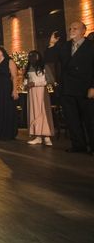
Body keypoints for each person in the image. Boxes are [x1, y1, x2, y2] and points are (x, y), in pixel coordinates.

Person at [45, 23, 94, 153]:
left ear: (84, 31)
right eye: (70, 28)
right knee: (72, 119)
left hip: (85, 88)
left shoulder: (91, 46)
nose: (71, 30)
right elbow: (49, 58)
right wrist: (52, 44)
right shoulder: (65, 46)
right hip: (67, 88)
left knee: (90, 118)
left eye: (75, 28)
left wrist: (93, 87)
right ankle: (79, 146)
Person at [24, 50, 55, 146]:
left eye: (34, 56)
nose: (32, 58)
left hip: (42, 92)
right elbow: (25, 80)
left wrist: (36, 84)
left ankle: (47, 136)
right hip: (32, 93)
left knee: (43, 112)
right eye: (30, 56)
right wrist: (26, 85)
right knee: (34, 113)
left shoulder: (44, 67)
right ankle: (37, 136)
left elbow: (50, 80)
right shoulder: (28, 67)